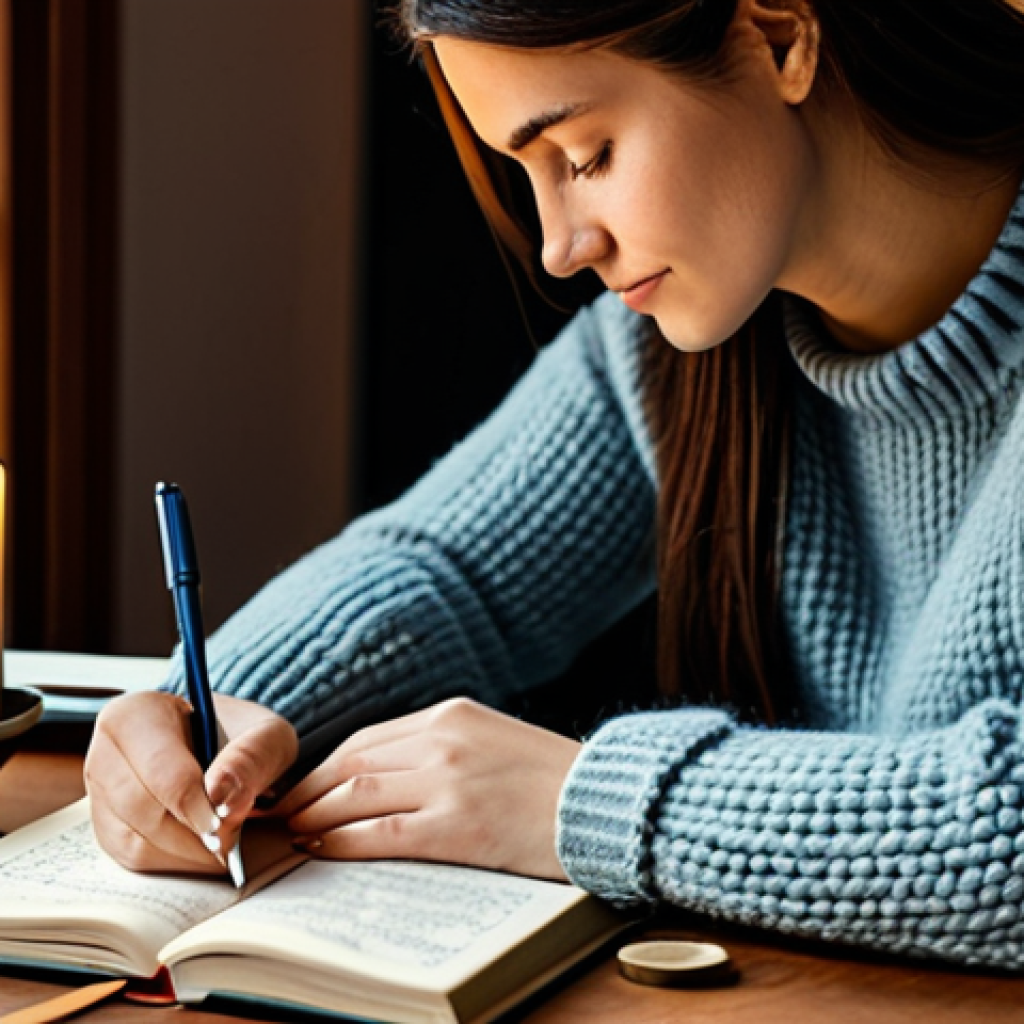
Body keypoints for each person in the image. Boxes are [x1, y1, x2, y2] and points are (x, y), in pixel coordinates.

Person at [85, 0, 1024, 968]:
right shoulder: (679, 349)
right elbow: (448, 568)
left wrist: (588, 801)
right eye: (523, 172)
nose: (558, 245)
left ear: (780, 38)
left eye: (583, 156)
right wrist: (214, 715)